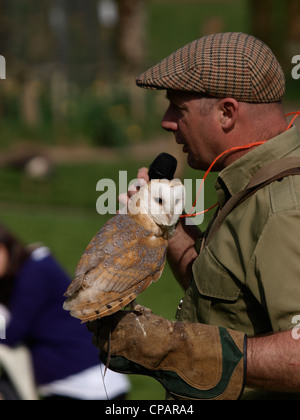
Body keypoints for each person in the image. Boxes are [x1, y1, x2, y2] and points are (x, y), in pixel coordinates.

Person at [90, 32, 300, 400]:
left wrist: (176, 348)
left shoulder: (284, 207)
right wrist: (166, 224)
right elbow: (225, 297)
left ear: (227, 112)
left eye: (178, 108)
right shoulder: (252, 180)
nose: (166, 122)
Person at [0, 224, 130, 400]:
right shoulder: (28, 271)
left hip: (84, 384)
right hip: (80, 379)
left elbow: (13, 333)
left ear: (5, 246)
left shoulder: (34, 273)